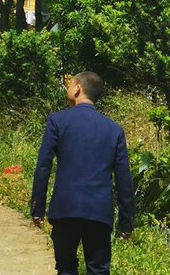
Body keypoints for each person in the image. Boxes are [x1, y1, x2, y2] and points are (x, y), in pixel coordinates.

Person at [30, 71, 134, 275]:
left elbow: (43, 167)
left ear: (77, 88)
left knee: (66, 267)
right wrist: (126, 221)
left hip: (65, 209)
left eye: (69, 85)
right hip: (99, 212)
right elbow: (124, 179)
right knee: (98, 270)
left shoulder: (57, 121)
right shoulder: (114, 130)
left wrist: (37, 208)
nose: (67, 88)